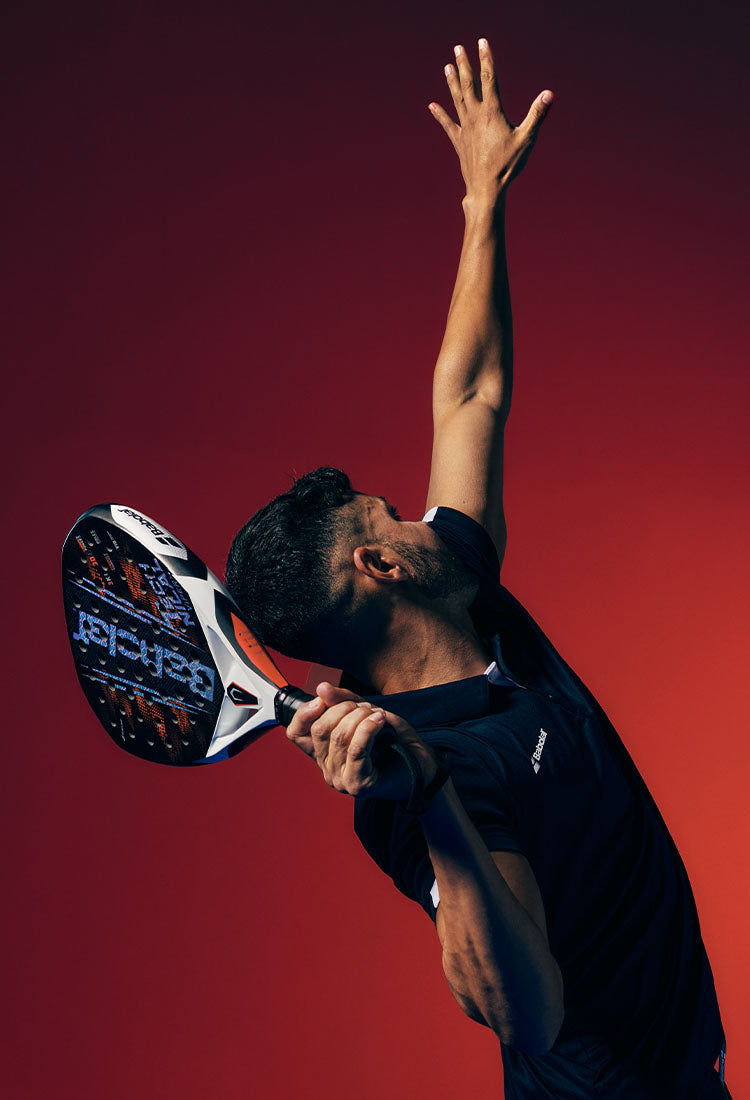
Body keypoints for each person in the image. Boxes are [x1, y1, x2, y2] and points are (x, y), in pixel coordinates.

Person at [225, 38, 729, 1099]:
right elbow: (527, 1010)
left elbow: (472, 393)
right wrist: (437, 802)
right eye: (392, 513)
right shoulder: (413, 781)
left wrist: (482, 201)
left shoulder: (460, 576)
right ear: (379, 562)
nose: (421, 509)